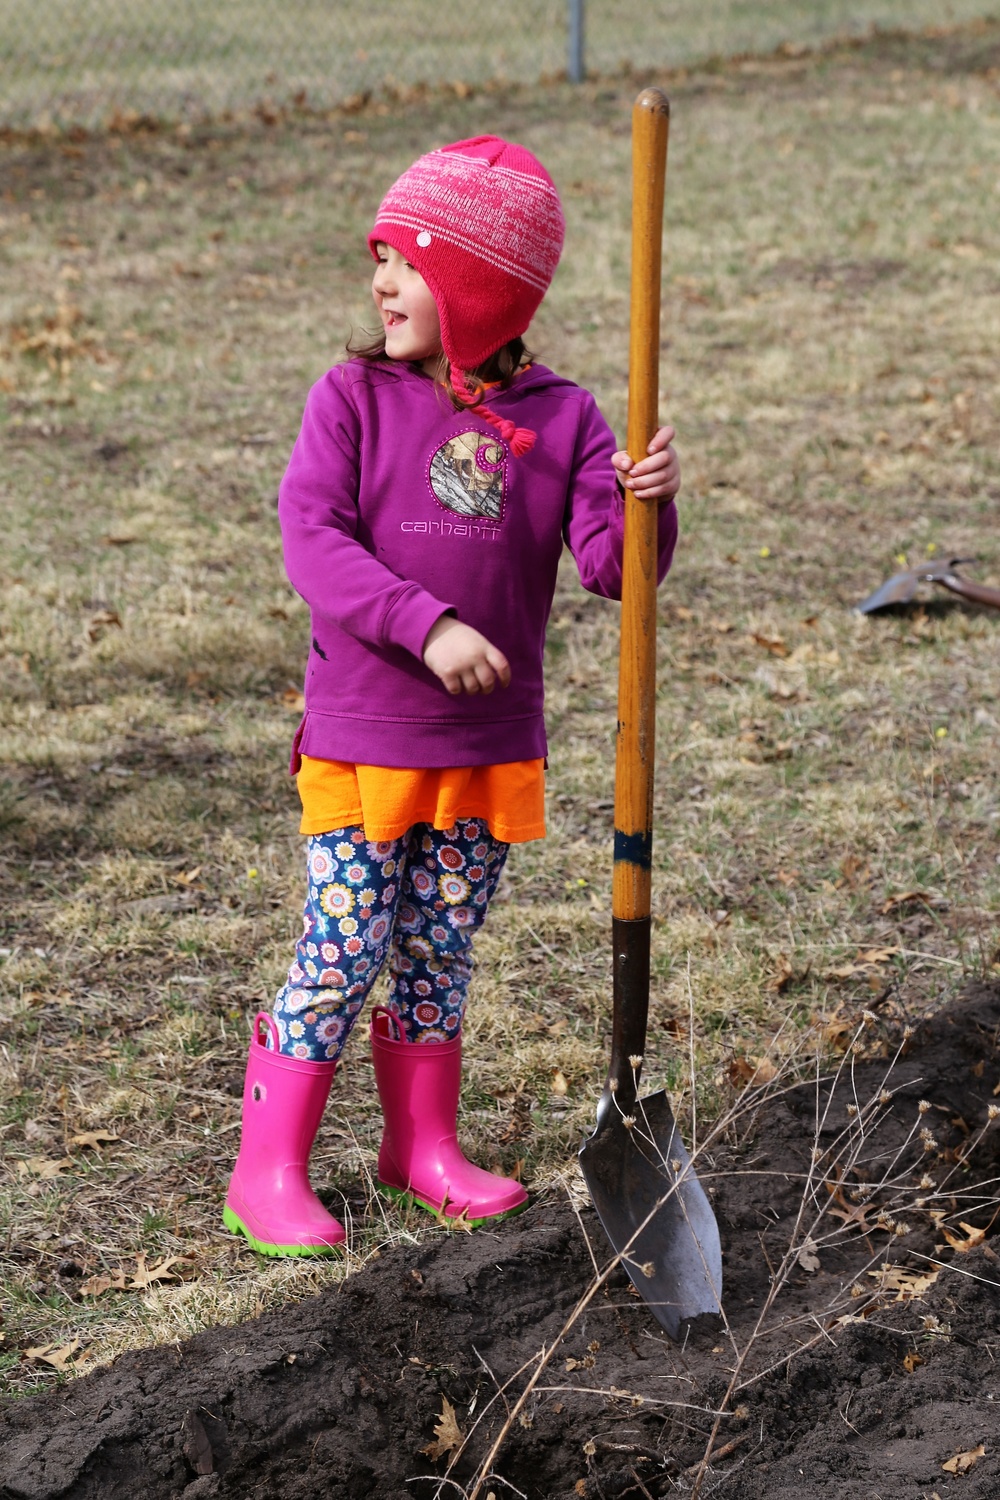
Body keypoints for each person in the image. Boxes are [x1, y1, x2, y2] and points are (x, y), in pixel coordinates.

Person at [224, 134, 681, 1256]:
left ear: (478, 290)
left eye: (407, 261)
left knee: (438, 948)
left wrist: (647, 505)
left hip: (486, 747)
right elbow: (312, 541)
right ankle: (267, 1167)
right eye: (376, 257)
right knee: (341, 946)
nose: (380, 281)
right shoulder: (350, 402)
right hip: (365, 736)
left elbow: (611, 571)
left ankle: (419, 1147)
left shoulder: (566, 420)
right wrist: (423, 626)